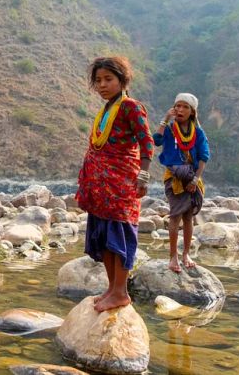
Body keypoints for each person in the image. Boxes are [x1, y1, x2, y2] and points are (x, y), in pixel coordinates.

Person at [76, 56, 154, 312]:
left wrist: (143, 176)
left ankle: (121, 292)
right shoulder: (107, 109)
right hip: (101, 188)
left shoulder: (131, 107)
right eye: (98, 80)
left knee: (119, 234)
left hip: (121, 185)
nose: (102, 85)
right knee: (105, 235)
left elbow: (146, 143)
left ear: (123, 80)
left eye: (108, 79)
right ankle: (111, 289)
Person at [154, 93, 210, 273]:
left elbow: (203, 157)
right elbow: (156, 141)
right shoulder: (170, 129)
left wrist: (195, 179)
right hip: (174, 178)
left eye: (185, 107)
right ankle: (173, 256)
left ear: (192, 111)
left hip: (192, 179)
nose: (180, 109)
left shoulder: (198, 132)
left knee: (188, 217)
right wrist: (165, 119)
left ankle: (186, 254)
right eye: (177, 106)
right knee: (175, 215)